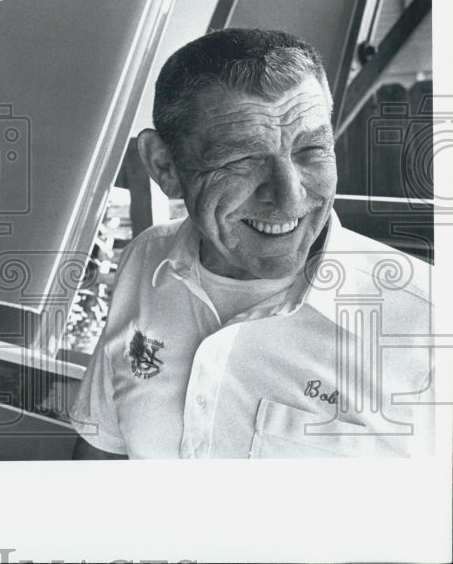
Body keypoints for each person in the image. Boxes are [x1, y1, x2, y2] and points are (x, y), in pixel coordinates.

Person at [70, 28, 434, 458]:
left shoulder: (428, 324)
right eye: (243, 158)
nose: (290, 197)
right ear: (164, 165)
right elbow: (102, 450)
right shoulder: (146, 262)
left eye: (311, 149)